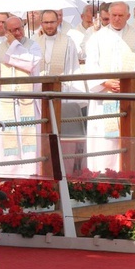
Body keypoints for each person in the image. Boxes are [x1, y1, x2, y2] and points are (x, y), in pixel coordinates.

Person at [84, 2, 135, 171]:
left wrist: (127, 84)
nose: (116, 19)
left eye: (120, 16)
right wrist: (104, 82)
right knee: (105, 142)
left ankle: (133, 173)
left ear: (128, 17)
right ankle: (103, 177)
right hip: (105, 96)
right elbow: (91, 64)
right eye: (113, 15)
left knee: (131, 136)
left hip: (130, 94)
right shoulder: (97, 37)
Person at [0, 15, 43, 176]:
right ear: (6, 32)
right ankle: (7, 172)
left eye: (19, 29)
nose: (17, 33)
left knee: (29, 138)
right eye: (12, 31)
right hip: (6, 102)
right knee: (6, 139)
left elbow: (29, 64)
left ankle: (31, 172)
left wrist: (14, 46)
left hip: (27, 101)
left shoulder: (33, 45)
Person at [36, 10, 85, 173]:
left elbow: (72, 68)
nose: (49, 26)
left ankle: (66, 170)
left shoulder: (68, 41)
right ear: (41, 23)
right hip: (41, 95)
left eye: (52, 22)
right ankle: (44, 168)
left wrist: (72, 95)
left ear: (58, 22)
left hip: (63, 92)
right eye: (46, 22)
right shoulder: (35, 42)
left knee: (64, 135)